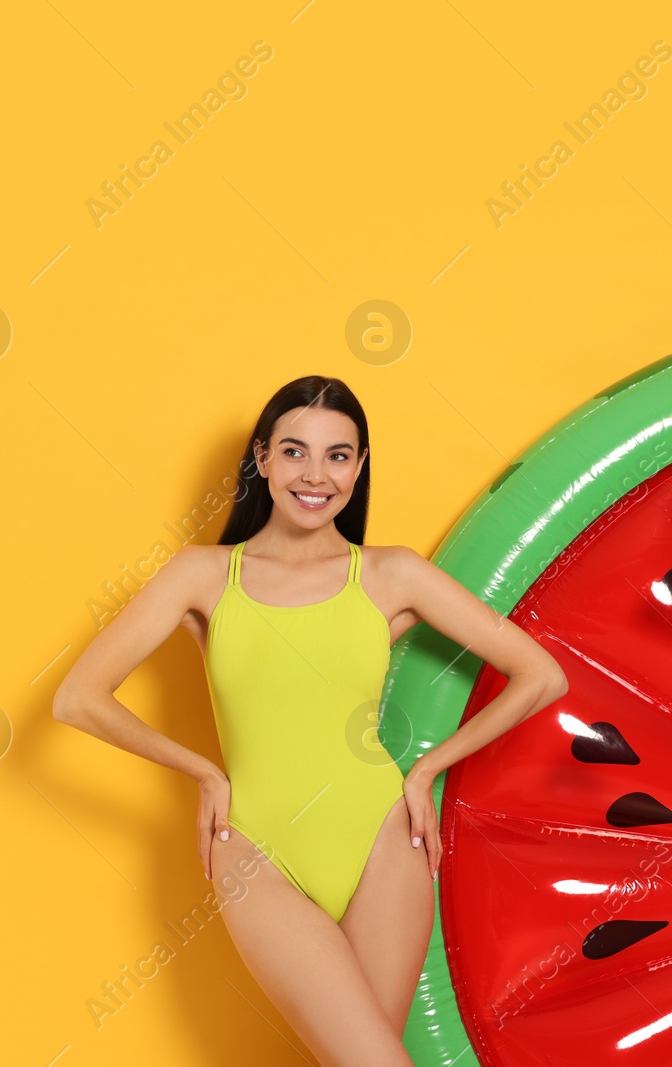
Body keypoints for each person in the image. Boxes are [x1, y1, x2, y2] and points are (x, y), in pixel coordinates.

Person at [53, 375, 567, 1065]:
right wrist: (202, 769)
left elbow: (542, 675)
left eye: (337, 455)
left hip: (384, 838)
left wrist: (430, 768)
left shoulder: (390, 575)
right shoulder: (203, 575)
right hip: (253, 848)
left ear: (358, 468)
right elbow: (78, 696)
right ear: (263, 460)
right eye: (295, 452)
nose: (315, 474)